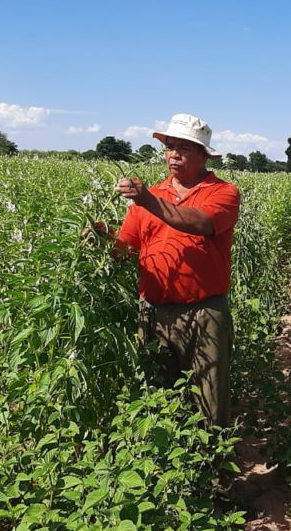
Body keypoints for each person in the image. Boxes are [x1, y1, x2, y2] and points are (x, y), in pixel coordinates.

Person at [89, 113, 240, 426]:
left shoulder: (223, 192)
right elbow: (124, 251)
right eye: (170, 147)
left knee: (208, 403)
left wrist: (146, 200)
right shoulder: (151, 197)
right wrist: (101, 236)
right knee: (158, 398)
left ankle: (212, 469)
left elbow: (200, 223)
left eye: (184, 147)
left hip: (204, 313)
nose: (173, 154)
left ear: (203, 154)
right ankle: (167, 470)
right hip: (153, 313)